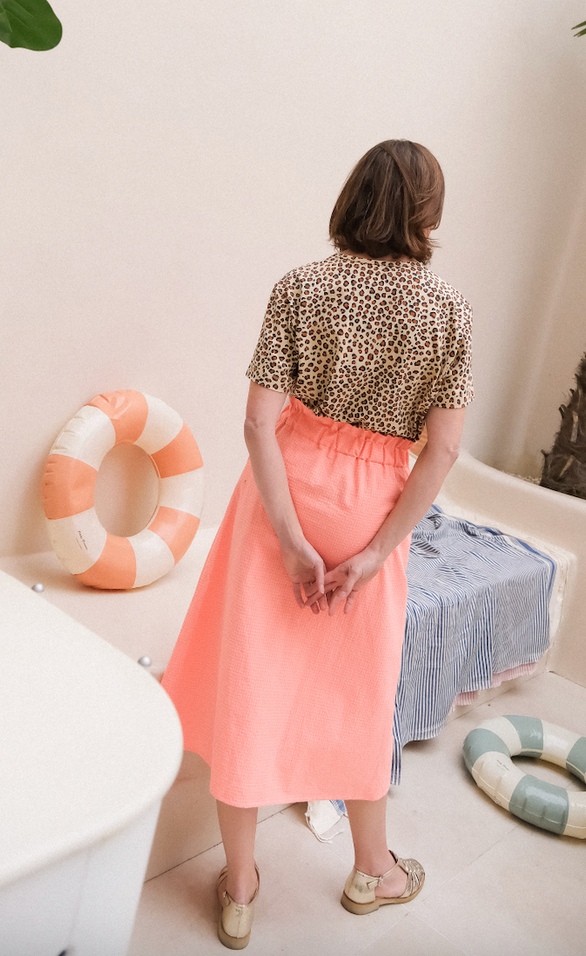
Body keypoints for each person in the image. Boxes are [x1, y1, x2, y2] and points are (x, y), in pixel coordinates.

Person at [161, 139, 473, 949]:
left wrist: (290, 537)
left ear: (353, 196)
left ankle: (239, 887)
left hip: (286, 490)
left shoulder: (300, 286)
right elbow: (441, 450)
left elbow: (257, 422)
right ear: (428, 211)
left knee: (250, 684)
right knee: (360, 694)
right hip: (372, 509)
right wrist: (374, 552)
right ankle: (375, 872)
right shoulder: (449, 312)